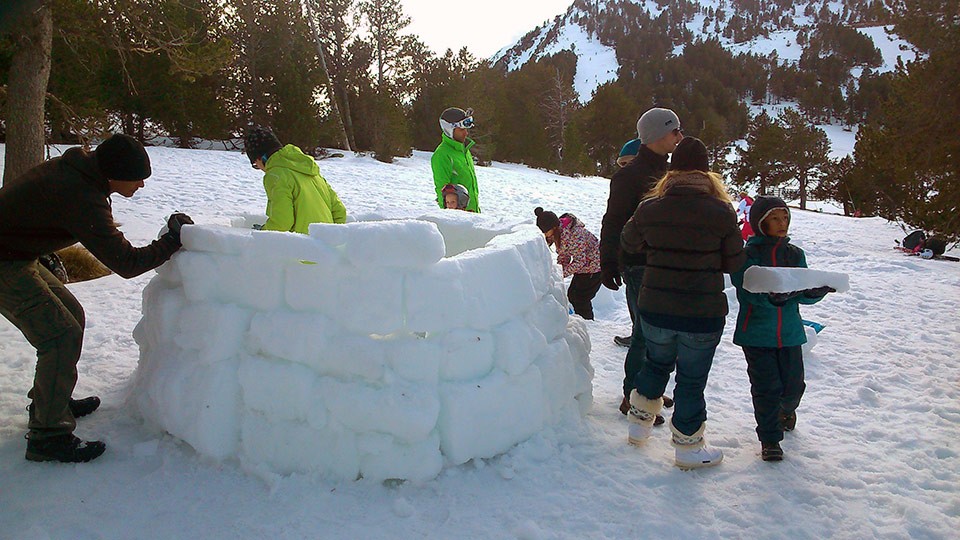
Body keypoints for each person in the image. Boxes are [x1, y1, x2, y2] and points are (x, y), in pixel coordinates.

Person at [0, 133, 192, 463]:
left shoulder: (80, 173)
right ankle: (48, 435)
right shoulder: (79, 193)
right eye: (137, 178)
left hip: (17, 253)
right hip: (5, 261)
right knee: (60, 334)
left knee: (71, 315)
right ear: (115, 173)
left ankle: (50, 400)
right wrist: (173, 241)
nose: (141, 186)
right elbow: (126, 263)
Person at [619, 137, 745, 469]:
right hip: (701, 313)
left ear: (671, 170)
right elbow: (735, 263)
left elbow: (629, 242)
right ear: (706, 171)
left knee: (655, 364)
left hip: (656, 306)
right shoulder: (721, 212)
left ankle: (638, 427)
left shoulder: (650, 207)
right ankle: (688, 448)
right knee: (691, 378)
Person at [730, 196, 834, 462]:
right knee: (766, 388)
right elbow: (747, 290)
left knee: (793, 387)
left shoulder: (794, 254)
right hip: (756, 333)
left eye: (785, 217)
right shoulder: (747, 254)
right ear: (761, 222)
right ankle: (770, 439)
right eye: (775, 218)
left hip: (789, 333)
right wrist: (771, 297)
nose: (782, 223)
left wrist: (815, 292)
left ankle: (786, 410)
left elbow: (801, 291)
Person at [600, 107, 683, 416]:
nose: (679, 136)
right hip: (639, 264)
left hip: (665, 265)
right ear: (659, 135)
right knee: (645, 335)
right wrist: (608, 262)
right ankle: (632, 397)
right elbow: (613, 221)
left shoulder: (671, 173)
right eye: (675, 131)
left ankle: (650, 390)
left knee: (660, 334)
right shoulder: (630, 175)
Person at [244, 126, 347, 233]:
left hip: (300, 246)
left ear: (260, 158)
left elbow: (282, 222)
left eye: (256, 165)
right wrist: (332, 238)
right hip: (327, 246)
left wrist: (262, 231)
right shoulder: (312, 172)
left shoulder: (275, 175)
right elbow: (340, 212)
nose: (260, 169)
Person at [535, 207, 602, 320]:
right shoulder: (560, 234)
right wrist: (558, 269)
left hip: (595, 266)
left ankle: (588, 323)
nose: (545, 234)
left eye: (545, 231)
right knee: (573, 295)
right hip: (585, 268)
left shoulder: (575, 235)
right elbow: (564, 255)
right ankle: (582, 319)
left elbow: (580, 261)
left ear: (553, 227)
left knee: (581, 298)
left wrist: (562, 273)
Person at [432, 107, 480, 213]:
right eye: (462, 130)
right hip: (459, 219)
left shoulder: (464, 151)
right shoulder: (442, 155)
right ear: (449, 130)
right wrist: (450, 219)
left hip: (473, 215)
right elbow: (442, 191)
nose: (466, 133)